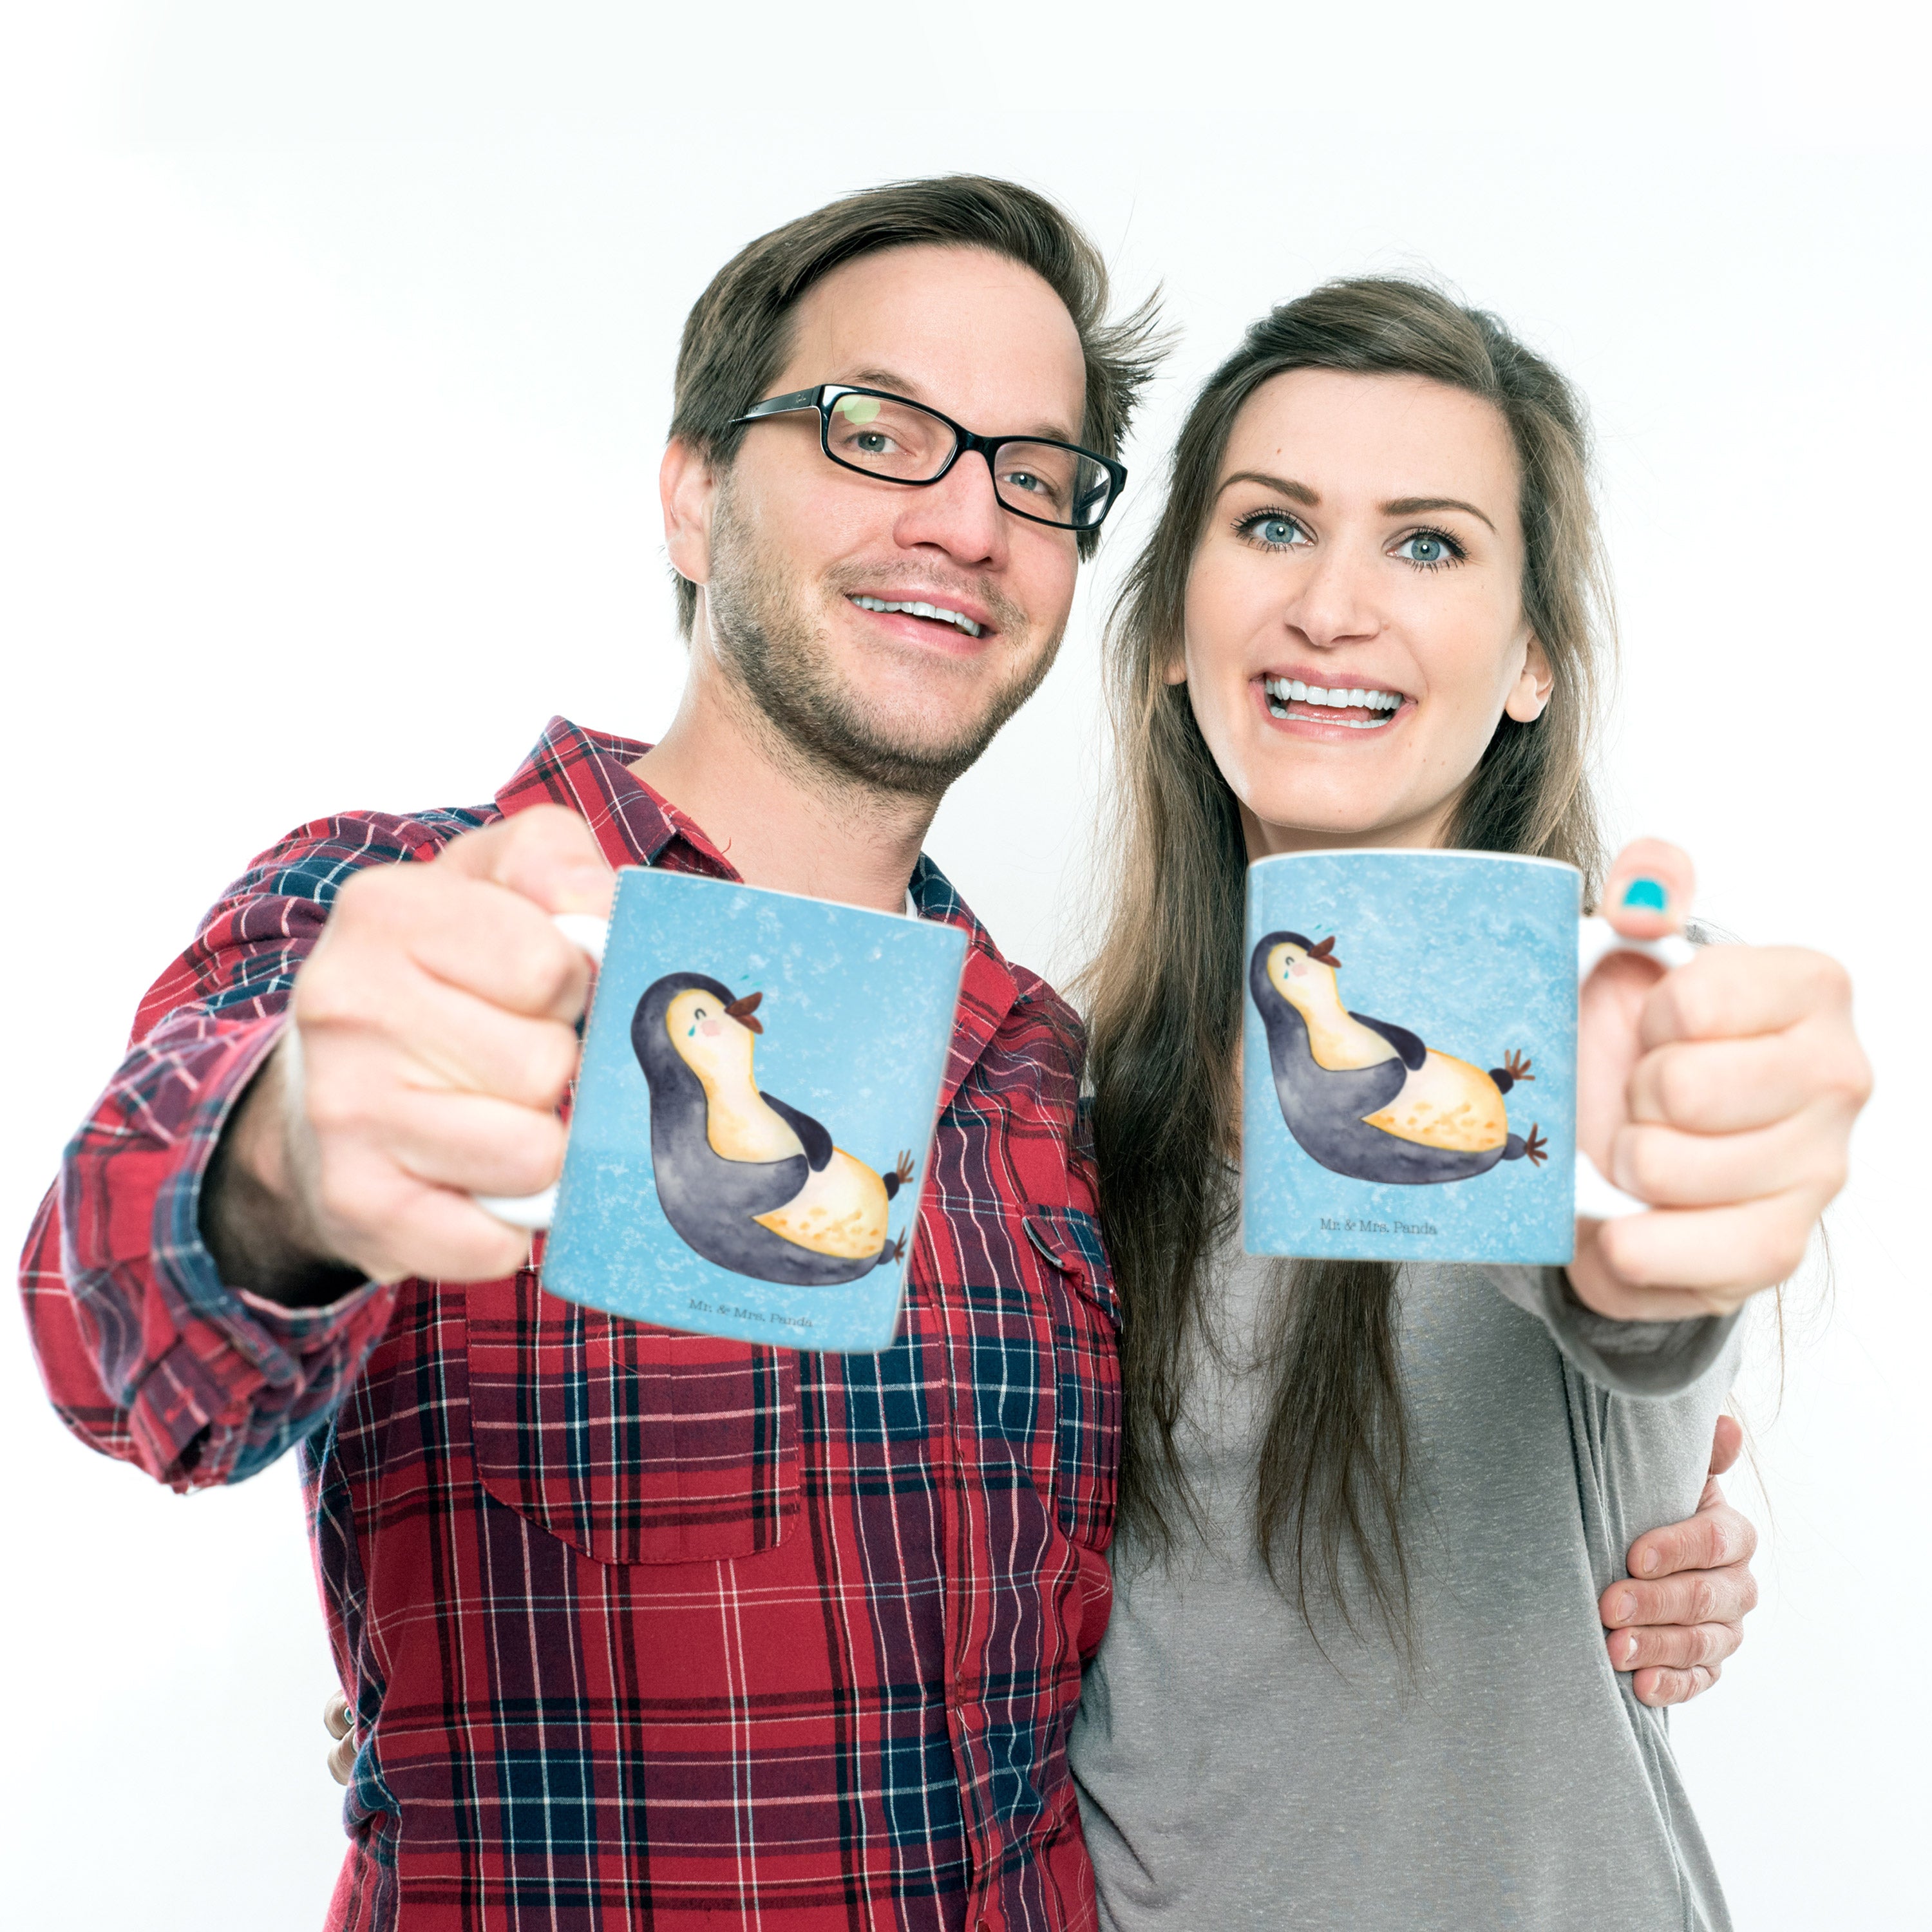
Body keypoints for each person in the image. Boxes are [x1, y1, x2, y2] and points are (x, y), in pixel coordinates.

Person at [21, 179, 1762, 1931]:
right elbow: (116, 1324)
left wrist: (1632, 1504)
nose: (964, 519)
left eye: (1032, 474)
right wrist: (287, 1165)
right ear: (694, 491)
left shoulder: (1049, 1087)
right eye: (878, 432)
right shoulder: (407, 921)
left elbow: (1263, 1575)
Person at [1067, 279, 1871, 1929]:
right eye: (1274, 526)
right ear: (1168, 631)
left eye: (1427, 544)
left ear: (1530, 663)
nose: (1333, 607)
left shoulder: (1601, 1030)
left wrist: (1673, 1207)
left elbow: (1635, 1288)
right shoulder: (1059, 1105)